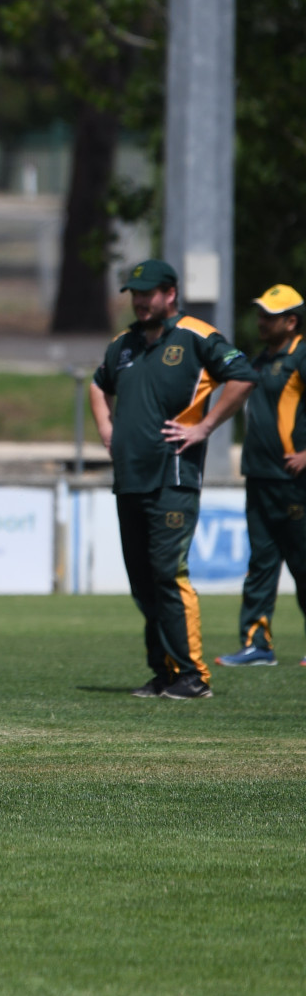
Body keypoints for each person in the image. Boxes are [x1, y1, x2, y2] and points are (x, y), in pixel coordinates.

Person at [90, 259, 255, 699]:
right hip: (130, 480)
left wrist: (204, 428)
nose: (141, 301)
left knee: (167, 572)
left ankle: (193, 676)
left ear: (171, 294)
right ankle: (164, 672)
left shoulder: (197, 336)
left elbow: (243, 377)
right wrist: (107, 429)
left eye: (149, 292)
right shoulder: (122, 345)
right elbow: (97, 382)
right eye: (135, 293)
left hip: (172, 477)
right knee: (143, 582)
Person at [217, 285, 306, 667]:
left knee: (303, 563)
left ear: (291, 321)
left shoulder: (302, 355)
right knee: (261, 564)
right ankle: (257, 644)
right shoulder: (256, 360)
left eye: (270, 315)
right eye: (260, 314)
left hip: (294, 482)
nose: (261, 321)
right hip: (259, 477)